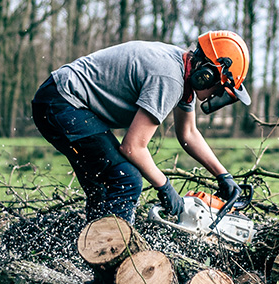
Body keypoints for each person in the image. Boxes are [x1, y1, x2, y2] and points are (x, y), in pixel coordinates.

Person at [31, 30, 251, 224]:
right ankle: (114, 259)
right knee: (126, 179)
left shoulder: (182, 71)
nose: (216, 94)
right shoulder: (170, 79)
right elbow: (133, 147)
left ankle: (83, 254)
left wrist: (223, 175)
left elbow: (188, 134)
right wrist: (165, 188)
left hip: (60, 100)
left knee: (104, 190)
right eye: (218, 87)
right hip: (62, 102)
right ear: (207, 74)